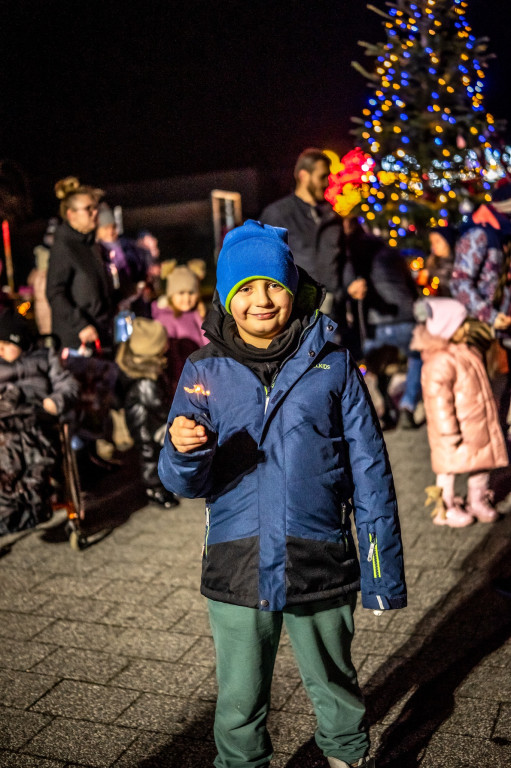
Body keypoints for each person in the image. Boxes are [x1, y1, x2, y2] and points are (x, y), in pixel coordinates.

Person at [158, 220, 406, 768]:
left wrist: (381, 574)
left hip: (319, 555)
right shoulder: (203, 370)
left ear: (293, 286)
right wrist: (183, 448)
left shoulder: (334, 363)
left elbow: (370, 471)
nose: (261, 299)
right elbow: (180, 481)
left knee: (335, 685)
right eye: (244, 288)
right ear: (226, 296)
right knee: (239, 702)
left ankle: (346, 757)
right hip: (236, 561)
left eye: (272, 284)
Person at [411, 297, 508, 528]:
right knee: (448, 469)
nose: (467, 327)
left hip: (475, 425)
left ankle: (477, 500)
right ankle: (443, 509)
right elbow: (438, 402)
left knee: (482, 464)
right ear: (448, 329)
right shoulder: (440, 361)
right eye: (462, 324)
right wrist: (448, 432)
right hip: (454, 430)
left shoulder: (466, 351)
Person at [259, 148, 366, 337]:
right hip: (294, 319)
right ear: (303, 176)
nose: (327, 183)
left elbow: (344, 259)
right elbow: (262, 263)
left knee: (332, 366)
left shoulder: (332, 217)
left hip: (331, 317)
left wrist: (351, 284)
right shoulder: (277, 214)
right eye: (322, 177)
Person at [0, 309, 78, 535]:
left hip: (37, 417)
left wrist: (55, 401)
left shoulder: (44, 358)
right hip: (4, 418)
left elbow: (68, 386)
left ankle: (27, 504)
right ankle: (14, 508)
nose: (0, 349)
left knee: (28, 446)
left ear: (21, 342)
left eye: (6, 344)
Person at [343, 217, 421, 430]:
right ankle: (407, 405)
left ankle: (385, 408)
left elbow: (349, 286)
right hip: (405, 317)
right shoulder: (389, 252)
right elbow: (410, 286)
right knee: (417, 357)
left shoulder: (352, 254)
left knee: (374, 368)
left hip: (374, 324)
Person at [450, 182, 511, 444]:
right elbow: (460, 282)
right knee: (491, 397)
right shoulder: (480, 235)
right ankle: (491, 458)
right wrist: (490, 314)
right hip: (489, 331)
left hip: (505, 329)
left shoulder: (504, 233)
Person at [46, 177, 115, 352]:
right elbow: (55, 293)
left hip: (102, 334)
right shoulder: (64, 246)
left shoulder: (92, 244)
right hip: (77, 342)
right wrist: (81, 325)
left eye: (95, 208)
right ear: (71, 214)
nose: (94, 213)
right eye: (88, 209)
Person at [115, 317, 178, 509]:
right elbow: (157, 404)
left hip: (149, 420)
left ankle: (162, 484)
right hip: (145, 424)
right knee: (150, 455)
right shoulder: (146, 379)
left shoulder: (143, 369)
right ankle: (154, 488)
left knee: (153, 453)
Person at [151, 264, 208, 396]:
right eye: (181, 293)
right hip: (182, 381)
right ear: (171, 295)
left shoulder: (195, 314)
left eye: (191, 293)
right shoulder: (166, 319)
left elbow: (207, 343)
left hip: (201, 376)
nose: (187, 298)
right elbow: (172, 357)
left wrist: (202, 318)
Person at [423, 225, 457, 297]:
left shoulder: (457, 263)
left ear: (447, 241)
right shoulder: (431, 263)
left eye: (437, 241)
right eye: (431, 242)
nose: (433, 246)